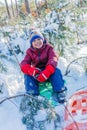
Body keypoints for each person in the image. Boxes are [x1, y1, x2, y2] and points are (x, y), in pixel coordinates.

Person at [20, 29, 67, 103]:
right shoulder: (29, 52)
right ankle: (33, 95)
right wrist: (32, 71)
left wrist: (47, 71)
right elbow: (24, 63)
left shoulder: (49, 48)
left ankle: (60, 91)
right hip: (38, 73)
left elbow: (53, 59)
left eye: (39, 39)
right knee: (27, 75)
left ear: (43, 39)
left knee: (56, 71)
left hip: (48, 71)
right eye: (34, 41)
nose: (37, 42)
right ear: (31, 43)